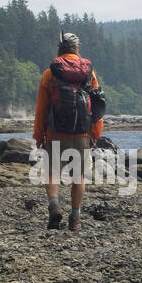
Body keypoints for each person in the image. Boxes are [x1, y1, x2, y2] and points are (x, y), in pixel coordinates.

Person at [33, 32, 103, 231]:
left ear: (60, 49)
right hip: (82, 133)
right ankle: (75, 218)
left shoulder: (50, 73)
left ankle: (54, 206)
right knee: (78, 176)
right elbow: (97, 108)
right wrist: (94, 134)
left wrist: (39, 135)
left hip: (55, 132)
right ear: (77, 49)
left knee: (52, 171)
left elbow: (42, 108)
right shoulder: (89, 73)